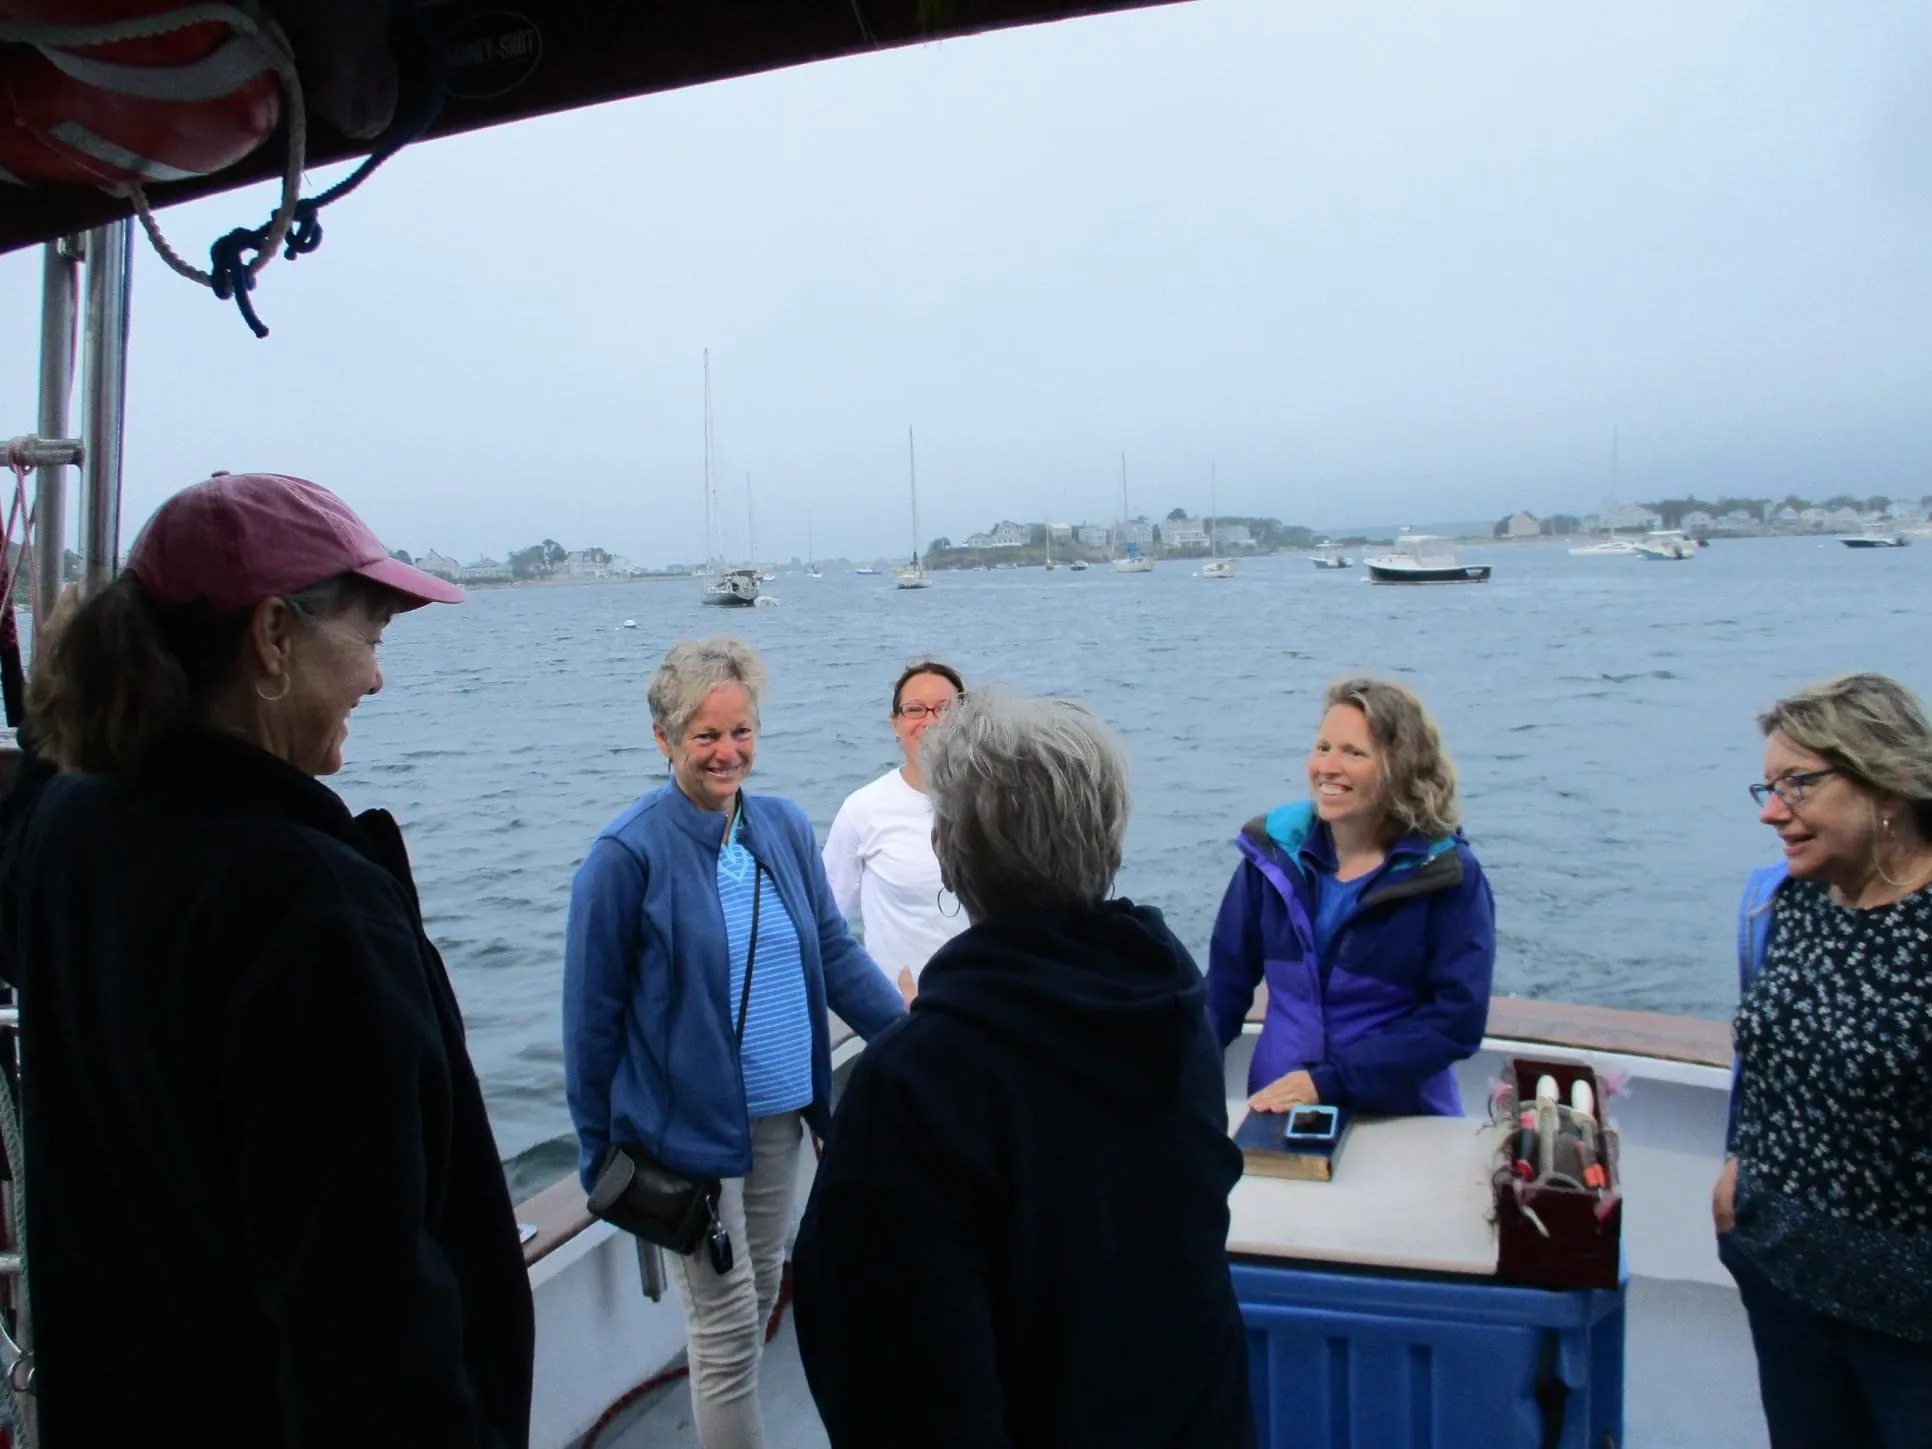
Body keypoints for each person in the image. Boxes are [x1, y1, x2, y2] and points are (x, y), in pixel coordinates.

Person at [0, 473, 535, 1447]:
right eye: (371, 638)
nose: (376, 679)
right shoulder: (307, 908)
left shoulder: (70, 832)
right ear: (274, 637)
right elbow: (363, 1316)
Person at [793, 689, 1253, 1449]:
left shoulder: (914, 1087)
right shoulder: (1173, 1012)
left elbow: (887, 1378)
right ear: (1106, 836)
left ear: (948, 852)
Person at [563, 636, 904, 1449]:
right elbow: (590, 1023)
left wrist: (917, 1035)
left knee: (757, 1299)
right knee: (723, 1335)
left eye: (741, 730)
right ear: (664, 738)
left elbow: (834, 951)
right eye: (706, 734)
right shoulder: (625, 857)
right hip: (686, 1137)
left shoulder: (781, 825)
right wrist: (598, 1157)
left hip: (779, 1117)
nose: (727, 751)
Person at [1714, 673, 1932, 1448]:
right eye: (1769, 788)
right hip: (1783, 1280)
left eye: (1799, 784)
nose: (1773, 812)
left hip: (1911, 1321)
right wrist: (1737, 1166)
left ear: (1886, 783)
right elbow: (1766, 1054)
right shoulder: (1785, 900)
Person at [1205, 676, 1494, 1117]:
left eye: (1353, 753)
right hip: (1277, 1108)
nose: (1328, 766)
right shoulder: (1271, 859)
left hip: (1401, 1117)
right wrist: (1179, 1080)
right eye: (1323, 748)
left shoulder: (1447, 876)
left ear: (1399, 768)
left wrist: (1328, 1083)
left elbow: (1457, 1020)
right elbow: (1222, 990)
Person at [821, 658, 969, 1002]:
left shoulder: (995, 804)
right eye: (915, 710)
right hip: (898, 1009)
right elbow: (824, 921)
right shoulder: (864, 809)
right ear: (895, 723)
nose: (930, 721)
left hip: (983, 1003)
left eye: (944, 709)